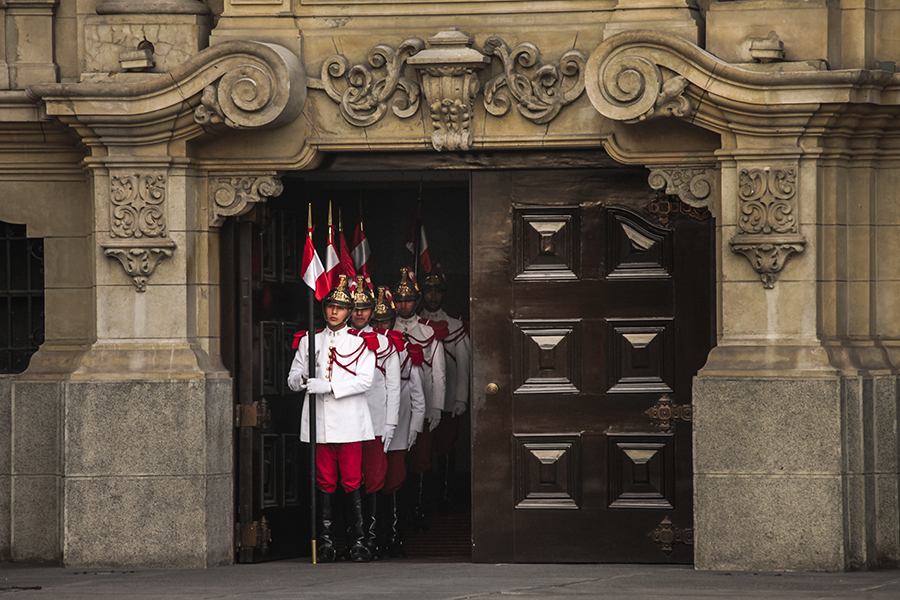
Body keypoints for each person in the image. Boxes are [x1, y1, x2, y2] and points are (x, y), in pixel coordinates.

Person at [287, 274, 376, 563]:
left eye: (339, 308)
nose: (333, 312)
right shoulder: (308, 341)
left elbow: (366, 381)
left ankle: (359, 542)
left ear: (350, 312)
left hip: (349, 422)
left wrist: (331, 387)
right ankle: (326, 542)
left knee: (351, 481)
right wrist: (302, 379)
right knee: (325, 482)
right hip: (320, 422)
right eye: (329, 307)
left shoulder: (362, 343)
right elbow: (291, 378)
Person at [370, 286, 426, 557]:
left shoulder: (404, 348)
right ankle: (372, 537)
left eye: (386, 321)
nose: (381, 326)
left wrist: (416, 425)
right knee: (369, 480)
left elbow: (417, 393)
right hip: (369, 425)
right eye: (376, 321)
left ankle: (394, 536)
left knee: (394, 481)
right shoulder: (361, 347)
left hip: (399, 424)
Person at [348, 275, 400, 560]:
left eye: (365, 308)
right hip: (344, 422)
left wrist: (391, 422)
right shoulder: (334, 340)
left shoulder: (385, 343)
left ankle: (370, 539)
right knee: (348, 479)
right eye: (354, 307)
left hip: (375, 421)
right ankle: (352, 539)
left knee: (374, 479)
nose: (359, 313)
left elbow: (394, 386)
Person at [392, 267, 445, 531]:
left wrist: (436, 405)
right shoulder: (386, 327)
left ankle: (418, 509)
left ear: (417, 302)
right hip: (394, 406)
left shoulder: (428, 332)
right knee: (396, 459)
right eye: (399, 301)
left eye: (408, 300)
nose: (403, 305)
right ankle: (397, 511)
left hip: (421, 405)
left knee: (421, 458)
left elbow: (438, 372)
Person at [419, 264, 471, 509]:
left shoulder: (455, 325)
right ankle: (423, 498)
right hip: (419, 400)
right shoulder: (412, 324)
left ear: (444, 294)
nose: (432, 296)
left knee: (446, 446)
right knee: (420, 450)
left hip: (448, 399)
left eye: (437, 291)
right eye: (428, 291)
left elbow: (463, 365)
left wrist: (461, 399)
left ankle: (446, 494)